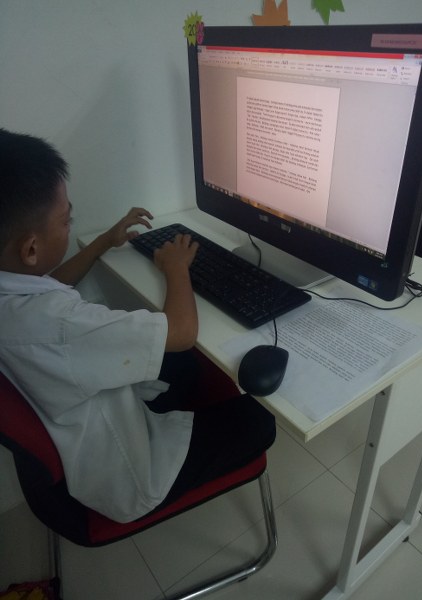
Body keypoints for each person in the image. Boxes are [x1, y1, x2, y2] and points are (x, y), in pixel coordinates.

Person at [0, 129, 276, 523]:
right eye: (66, 220)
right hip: (130, 474)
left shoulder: (13, 297)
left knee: (188, 368)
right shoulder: (59, 325)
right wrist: (177, 269)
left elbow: (50, 283)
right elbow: (182, 334)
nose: (70, 224)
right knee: (260, 421)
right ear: (31, 249)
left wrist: (104, 242)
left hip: (81, 413)